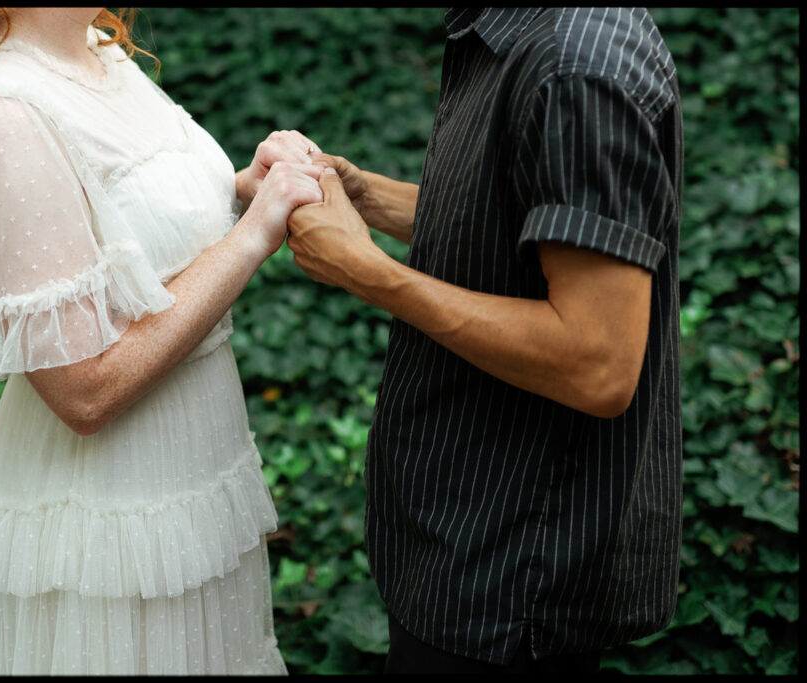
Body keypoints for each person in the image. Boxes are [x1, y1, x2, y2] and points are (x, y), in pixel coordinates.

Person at [0, 7, 326, 675]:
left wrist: (241, 194)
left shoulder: (96, 49)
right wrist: (255, 233)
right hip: (107, 531)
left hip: (189, 497)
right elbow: (84, 388)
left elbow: (141, 247)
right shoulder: (3, 118)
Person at [288, 7, 683, 674]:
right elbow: (518, 226)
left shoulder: (576, 68)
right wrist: (369, 198)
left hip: (506, 569)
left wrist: (370, 274)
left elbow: (596, 363)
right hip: (459, 537)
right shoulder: (515, 32)